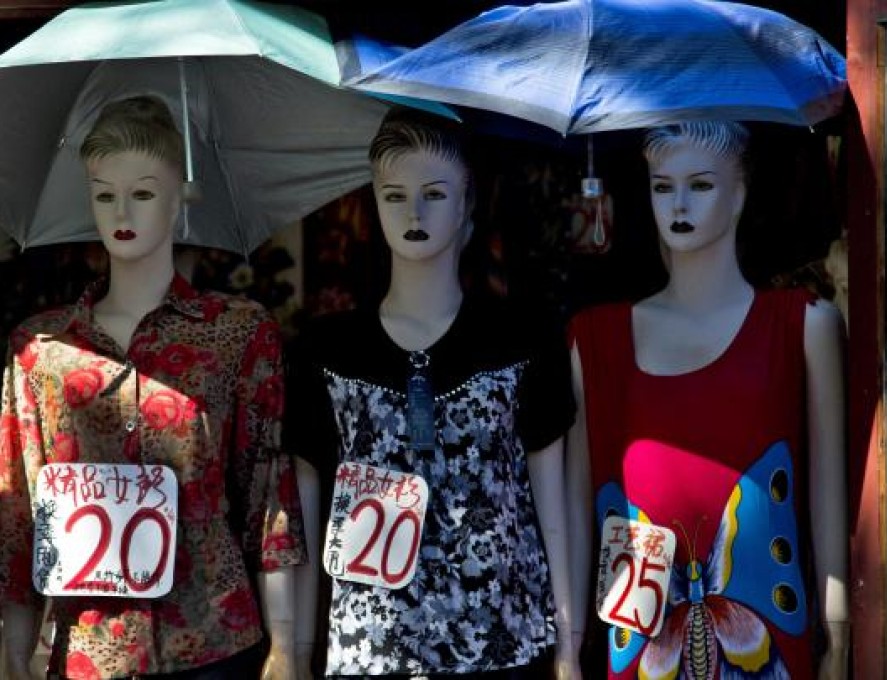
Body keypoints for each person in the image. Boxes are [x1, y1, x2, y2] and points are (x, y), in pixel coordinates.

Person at [0, 95, 311, 679]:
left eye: (142, 192)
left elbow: (268, 493)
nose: (122, 210)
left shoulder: (237, 334)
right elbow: (19, 510)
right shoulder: (41, 349)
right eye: (104, 193)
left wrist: (287, 645)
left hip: (214, 640)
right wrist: (12, 648)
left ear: (179, 200)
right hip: (86, 649)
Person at [285, 108, 578, 678]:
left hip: (503, 644)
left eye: (435, 195)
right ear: (374, 202)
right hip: (370, 649)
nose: (413, 212)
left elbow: (553, 502)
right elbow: (303, 508)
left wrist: (569, 644)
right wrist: (295, 651)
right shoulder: (327, 351)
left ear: (467, 204)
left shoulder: (520, 340)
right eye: (394, 195)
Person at [566, 121, 848, 679]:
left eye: (701, 184)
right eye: (662, 185)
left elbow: (826, 492)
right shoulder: (594, 341)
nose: (679, 203)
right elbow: (578, 507)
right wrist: (569, 644)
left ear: (739, 193)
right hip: (641, 639)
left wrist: (837, 633)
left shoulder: (801, 326)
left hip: (769, 634)